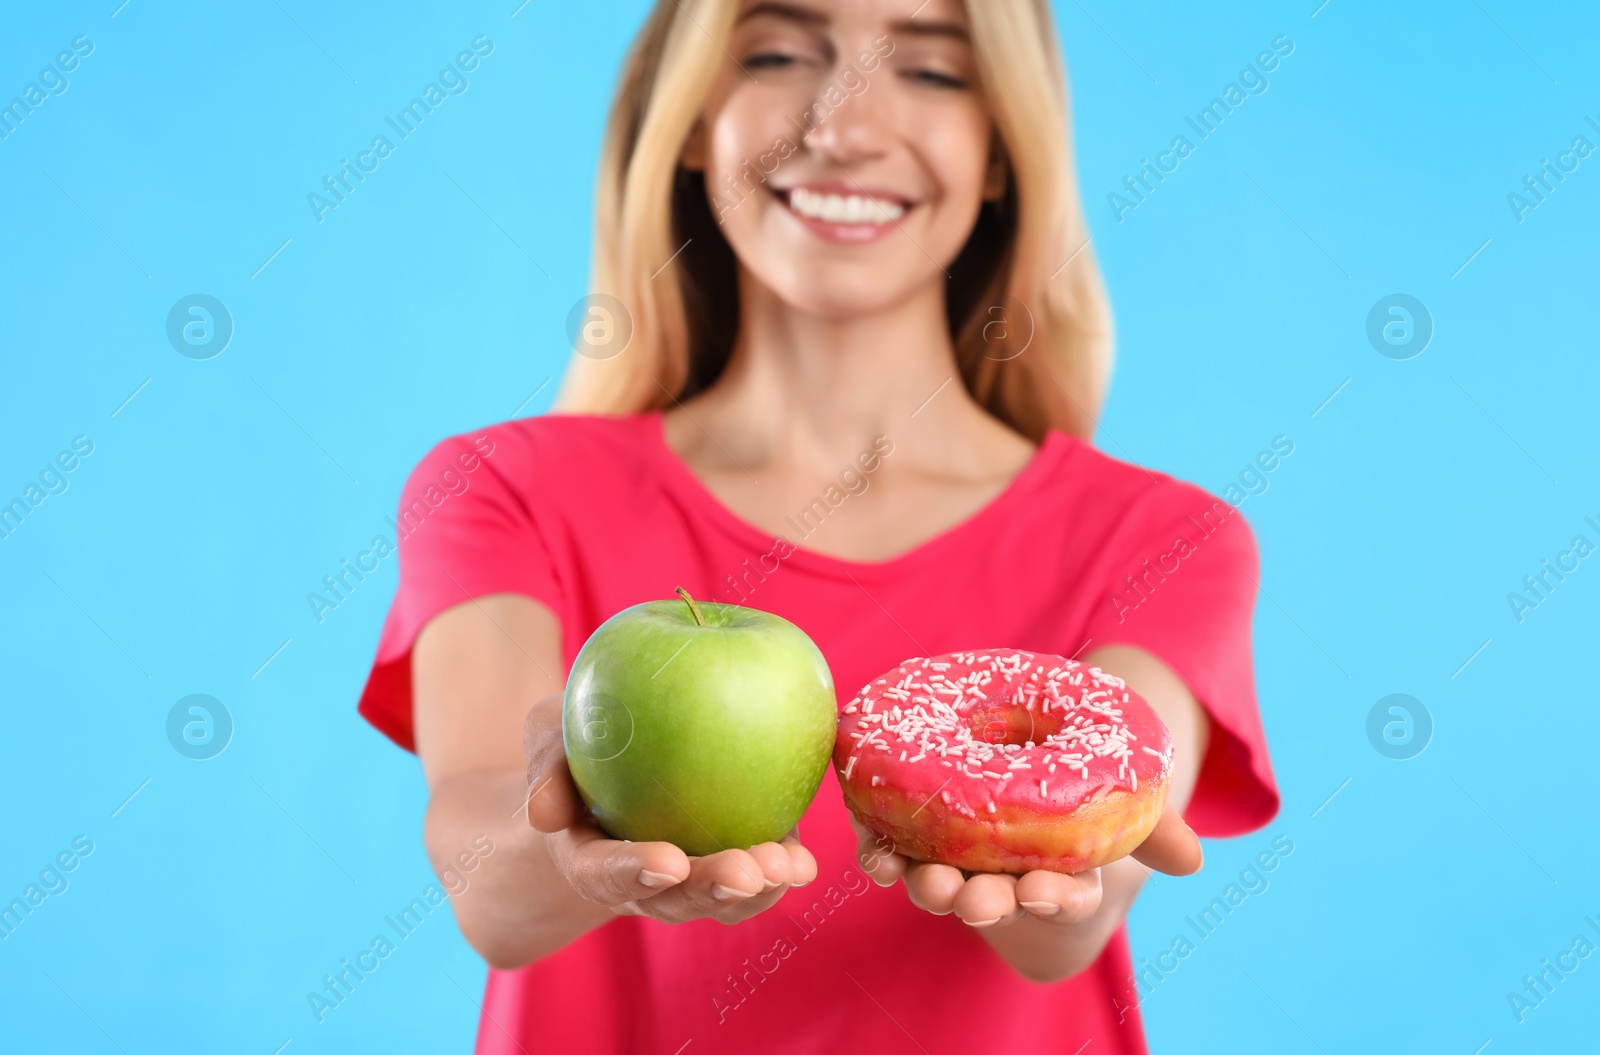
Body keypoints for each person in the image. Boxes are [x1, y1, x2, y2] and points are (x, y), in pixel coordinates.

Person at [357, 0, 1279, 1050]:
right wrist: (567, 851)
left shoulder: (1167, 538)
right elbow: (489, 892)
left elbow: (1067, 929)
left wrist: (1074, 866)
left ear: (998, 152)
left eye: (931, 72)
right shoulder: (500, 488)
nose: (842, 123)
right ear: (694, 118)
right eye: (781, 53)